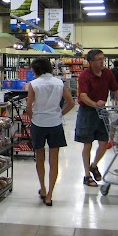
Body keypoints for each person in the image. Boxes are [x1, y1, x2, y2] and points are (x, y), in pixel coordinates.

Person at [26, 58, 74, 206]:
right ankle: (50, 195)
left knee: (40, 158)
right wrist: (60, 114)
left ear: (35, 70)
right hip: (55, 124)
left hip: (38, 123)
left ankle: (43, 188)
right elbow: (71, 103)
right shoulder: (59, 83)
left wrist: (33, 117)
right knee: (54, 160)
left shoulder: (34, 84)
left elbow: (28, 107)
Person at [75, 49, 118, 187]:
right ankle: (87, 175)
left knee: (104, 143)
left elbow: (115, 90)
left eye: (102, 59)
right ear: (90, 62)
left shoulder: (107, 73)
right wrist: (94, 104)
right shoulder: (84, 76)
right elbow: (83, 96)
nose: (102, 62)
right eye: (98, 59)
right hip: (87, 112)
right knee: (87, 144)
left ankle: (94, 165)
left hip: (102, 112)